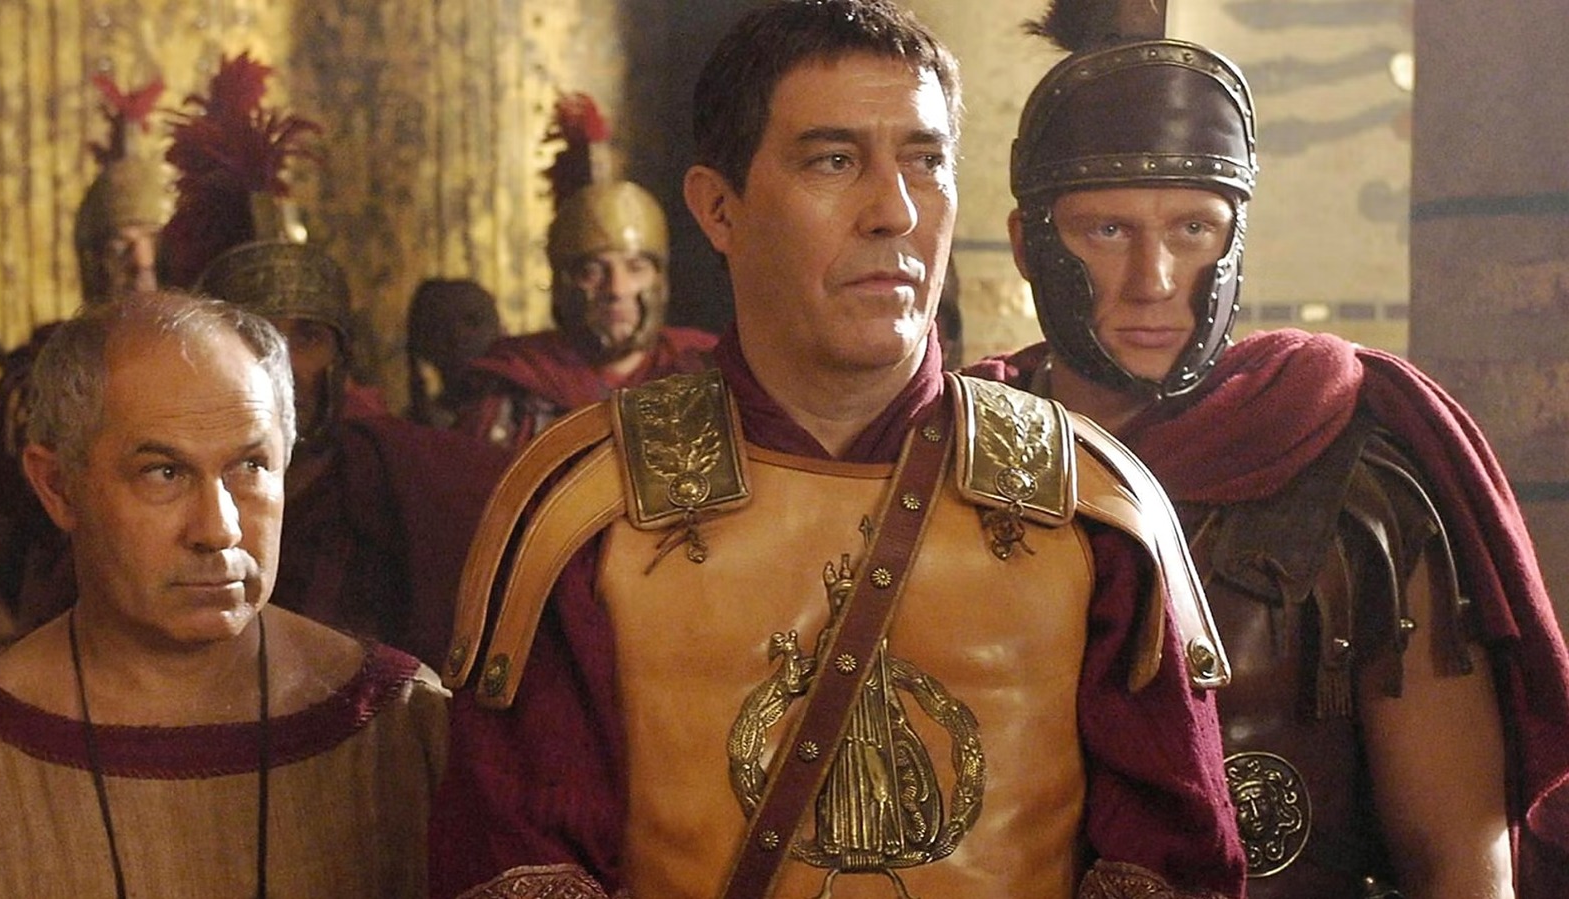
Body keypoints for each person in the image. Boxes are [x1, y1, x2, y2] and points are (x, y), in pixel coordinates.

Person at [428, 3, 1245, 897]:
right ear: (718, 208)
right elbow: (515, 859)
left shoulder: (1088, 507)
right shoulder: (588, 510)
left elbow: (1177, 865)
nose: (895, 211)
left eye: (926, 161)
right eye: (834, 160)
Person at [966, 4, 1569, 896]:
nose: (1154, 281)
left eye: (1192, 230)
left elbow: (1460, 866)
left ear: (1235, 240)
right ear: (1028, 245)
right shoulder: (959, 463)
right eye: (1107, 231)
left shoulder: (1342, 472)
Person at [0, 291, 447, 896]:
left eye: (250, 467)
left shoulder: (402, 725)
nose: (219, 529)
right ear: (59, 487)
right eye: (164, 473)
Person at [160, 51, 511, 668]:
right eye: (258, 339)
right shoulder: (166, 491)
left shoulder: (398, 479)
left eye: (307, 338)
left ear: (343, 357)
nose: (283, 366)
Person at [0, 75, 171, 651]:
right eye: (120, 244)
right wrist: (18, 672)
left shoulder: (215, 378)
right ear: (90, 262)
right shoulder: (34, 389)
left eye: (153, 240)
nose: (140, 262)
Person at [450, 92, 716, 456]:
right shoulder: (515, 384)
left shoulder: (701, 370)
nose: (617, 289)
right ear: (562, 284)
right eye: (593, 271)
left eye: (636, 267)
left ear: (661, 279)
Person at [406, 277, 505, 429]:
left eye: (473, 321)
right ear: (421, 343)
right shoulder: (409, 429)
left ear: (500, 328)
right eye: (440, 326)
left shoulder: (533, 405)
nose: (458, 335)